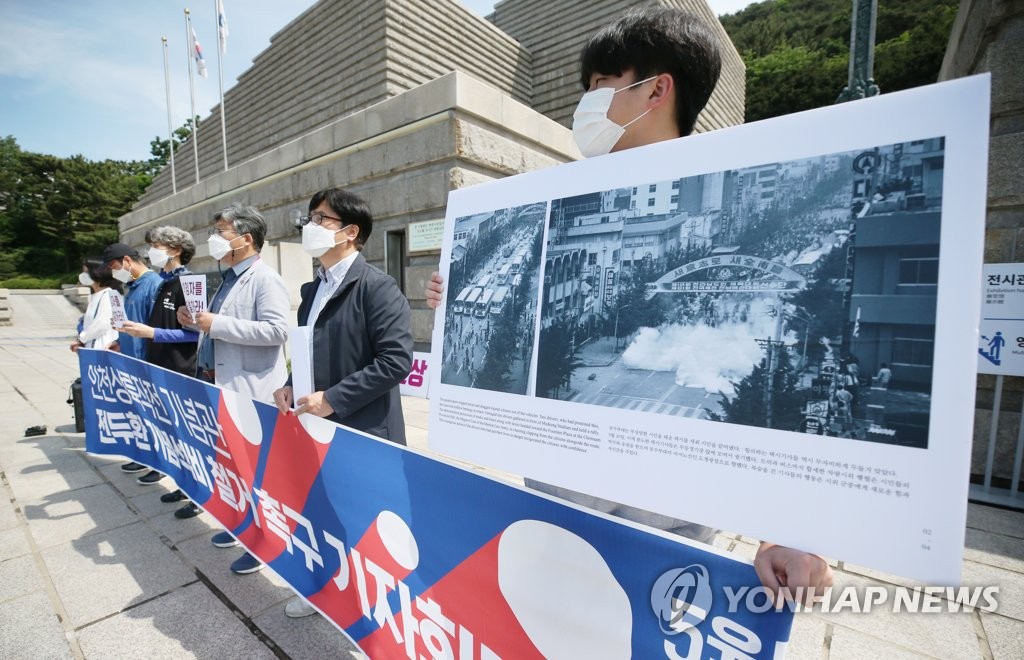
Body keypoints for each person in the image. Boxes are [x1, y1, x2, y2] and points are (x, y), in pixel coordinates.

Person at [425, 7, 832, 602]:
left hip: (668, 539)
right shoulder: (555, 197)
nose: (585, 103)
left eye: (600, 85)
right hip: (553, 516)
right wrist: (454, 301)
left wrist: (787, 532)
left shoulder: (739, 195)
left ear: (657, 89)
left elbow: (793, 386)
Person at [272, 188, 413, 618]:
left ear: (350, 232)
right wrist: (291, 383)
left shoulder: (377, 287)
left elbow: (396, 360)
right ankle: (325, 588)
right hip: (317, 423)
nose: (309, 227)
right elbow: (309, 348)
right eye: (309, 219)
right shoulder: (313, 289)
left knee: (368, 521)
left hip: (365, 428)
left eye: (321, 219)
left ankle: (384, 611)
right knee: (324, 510)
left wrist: (334, 399)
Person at [175, 203, 289, 575]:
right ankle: (243, 526)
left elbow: (277, 331)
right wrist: (196, 324)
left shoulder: (265, 278)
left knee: (255, 469)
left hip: (250, 389)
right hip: (219, 381)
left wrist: (215, 323)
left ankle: (263, 542)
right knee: (232, 464)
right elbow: (219, 327)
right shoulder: (227, 277)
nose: (214, 238)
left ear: (246, 239)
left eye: (221, 231)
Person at [120, 226, 200, 490]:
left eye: (157, 245)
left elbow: (195, 335)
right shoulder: (161, 281)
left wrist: (152, 333)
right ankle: (179, 480)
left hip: (180, 368)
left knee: (184, 432)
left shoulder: (189, 283)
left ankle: (193, 489)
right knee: (164, 427)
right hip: (158, 365)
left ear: (176, 250)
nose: (150, 251)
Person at [101, 242, 163, 476]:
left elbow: (154, 328)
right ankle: (145, 456)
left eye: (113, 265)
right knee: (139, 414)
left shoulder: (154, 285)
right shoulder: (132, 287)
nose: (113, 270)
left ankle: (160, 463)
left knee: (154, 416)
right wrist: (120, 340)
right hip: (130, 360)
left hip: (146, 363)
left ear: (127, 261)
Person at [70, 259, 121, 353]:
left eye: (86, 272)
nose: (82, 275)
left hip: (103, 347)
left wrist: (81, 339)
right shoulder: (97, 295)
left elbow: (102, 324)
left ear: (96, 273)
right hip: (93, 347)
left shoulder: (109, 295)